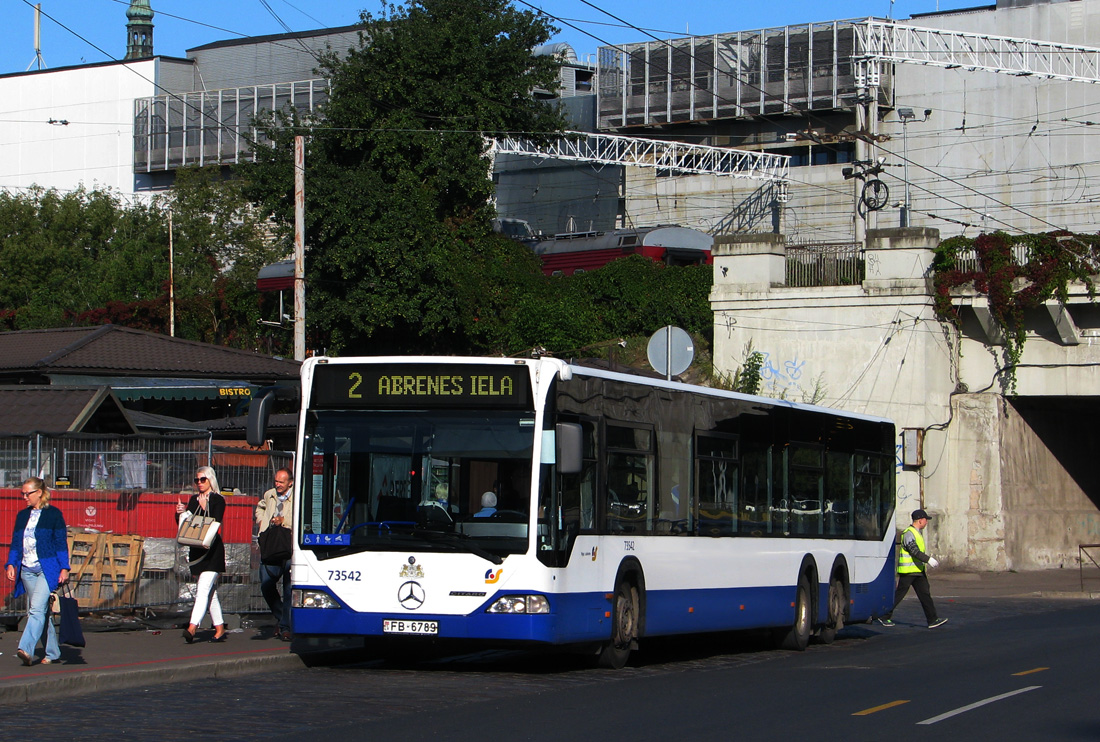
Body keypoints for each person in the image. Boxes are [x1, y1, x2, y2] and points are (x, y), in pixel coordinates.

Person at [4, 477, 71, 666]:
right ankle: (52, 652)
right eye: (22, 494)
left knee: (35, 610)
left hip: (46, 569)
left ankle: (25, 648)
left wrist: (64, 567)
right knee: (41, 611)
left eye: (28, 493)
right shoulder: (22, 516)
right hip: (27, 569)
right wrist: (11, 564)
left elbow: (60, 544)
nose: (24, 497)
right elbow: (17, 542)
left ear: (39, 492)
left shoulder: (54, 515)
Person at [175, 466, 227, 643]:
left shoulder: (218, 500)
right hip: (197, 550)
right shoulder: (193, 499)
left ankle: (192, 627)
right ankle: (219, 628)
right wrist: (180, 514)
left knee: (202, 589)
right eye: (197, 480)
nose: (199, 483)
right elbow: (187, 526)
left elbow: (216, 522)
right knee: (210, 593)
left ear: (210, 480)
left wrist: (206, 508)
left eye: (202, 480)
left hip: (212, 551)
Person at [878, 509, 948, 629]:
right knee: (899, 594)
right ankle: (883, 615)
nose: (926, 522)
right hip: (909, 572)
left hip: (918, 571)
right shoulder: (909, 533)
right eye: (926, 520)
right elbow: (914, 550)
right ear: (920, 520)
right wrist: (928, 560)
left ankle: (932, 620)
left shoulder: (916, 533)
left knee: (925, 594)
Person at [255, 467, 293, 641]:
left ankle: (286, 626)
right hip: (270, 545)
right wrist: (261, 520)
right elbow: (260, 507)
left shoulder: (298, 495)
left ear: (290, 483)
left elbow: (303, 517)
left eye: (281, 482)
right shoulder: (269, 494)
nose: (277, 484)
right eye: (276, 481)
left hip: (289, 547)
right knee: (266, 584)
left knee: (289, 589)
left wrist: (284, 520)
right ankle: (281, 618)